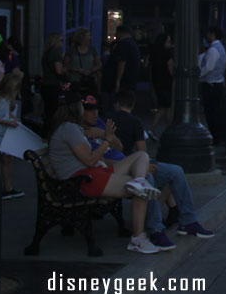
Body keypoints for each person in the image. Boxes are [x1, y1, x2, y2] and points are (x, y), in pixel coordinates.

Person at [46, 93, 162, 254]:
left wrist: (105, 137)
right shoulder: (69, 129)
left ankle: (140, 181)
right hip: (82, 179)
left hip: (92, 173)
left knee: (142, 156)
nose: (94, 113)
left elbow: (108, 153)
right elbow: (90, 160)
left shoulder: (71, 128)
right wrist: (106, 139)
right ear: (76, 109)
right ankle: (138, 239)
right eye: (85, 108)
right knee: (141, 191)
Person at [106, 91, 214, 250]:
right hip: (128, 166)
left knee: (175, 171)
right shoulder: (135, 121)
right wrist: (146, 163)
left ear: (116, 104)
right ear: (132, 105)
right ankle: (156, 229)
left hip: (134, 162)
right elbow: (142, 150)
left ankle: (188, 221)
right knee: (151, 176)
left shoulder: (108, 121)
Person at [199, 27, 226, 144]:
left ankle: (216, 137)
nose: (207, 36)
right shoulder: (219, 48)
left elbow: (209, 67)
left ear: (213, 35)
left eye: (208, 33)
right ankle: (218, 136)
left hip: (211, 85)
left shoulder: (213, 50)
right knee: (215, 112)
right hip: (217, 83)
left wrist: (198, 74)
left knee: (212, 112)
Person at [38, 32, 64, 136]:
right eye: (61, 40)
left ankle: (46, 133)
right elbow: (59, 71)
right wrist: (66, 71)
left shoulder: (46, 53)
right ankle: (51, 133)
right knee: (54, 112)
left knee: (48, 111)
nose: (62, 43)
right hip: (53, 85)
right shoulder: (55, 53)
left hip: (45, 85)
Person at [148, 33, 174, 138]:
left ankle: (168, 129)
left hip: (158, 83)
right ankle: (152, 128)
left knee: (166, 107)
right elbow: (171, 71)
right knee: (164, 107)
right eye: (168, 42)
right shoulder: (168, 55)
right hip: (167, 83)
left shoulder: (155, 54)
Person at [65, 28, 100, 96]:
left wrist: (90, 70)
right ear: (81, 37)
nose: (90, 38)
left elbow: (98, 64)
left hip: (89, 81)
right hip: (75, 81)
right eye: (88, 36)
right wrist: (77, 70)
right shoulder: (71, 51)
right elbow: (65, 65)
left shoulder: (92, 49)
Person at [111, 25, 142, 95]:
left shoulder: (124, 44)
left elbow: (121, 62)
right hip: (131, 80)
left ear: (120, 33)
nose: (115, 35)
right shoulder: (133, 44)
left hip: (124, 81)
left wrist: (118, 80)